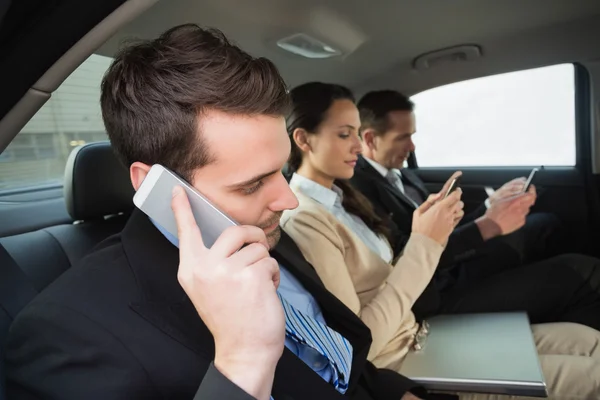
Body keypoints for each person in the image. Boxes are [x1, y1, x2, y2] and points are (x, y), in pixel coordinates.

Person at [4, 25, 453, 400]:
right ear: (152, 184)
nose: (289, 199)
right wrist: (243, 362)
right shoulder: (66, 336)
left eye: (279, 171)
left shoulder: (260, 227)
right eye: (251, 184)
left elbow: (339, 359)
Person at [280, 81, 600, 400]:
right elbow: (360, 343)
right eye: (344, 134)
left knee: (588, 341)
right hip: (400, 359)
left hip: (423, 333)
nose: (359, 147)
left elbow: (394, 268)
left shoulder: (344, 198)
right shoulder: (306, 218)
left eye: (356, 132)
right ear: (304, 139)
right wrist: (424, 243)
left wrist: (439, 227)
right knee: (591, 377)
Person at [351, 90, 600, 327]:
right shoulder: (360, 191)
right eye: (403, 137)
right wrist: (486, 227)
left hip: (458, 264)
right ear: (371, 139)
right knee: (587, 271)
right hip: (437, 291)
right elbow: (402, 255)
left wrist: (490, 206)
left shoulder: (403, 176)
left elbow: (446, 227)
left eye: (412, 135)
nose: (413, 146)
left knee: (545, 223)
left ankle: (546, 298)